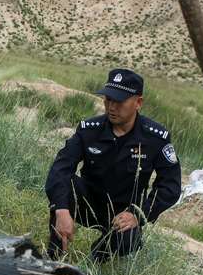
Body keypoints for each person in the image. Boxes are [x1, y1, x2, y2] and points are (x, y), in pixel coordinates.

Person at [45, 68, 181, 262]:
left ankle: (95, 260)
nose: (111, 107)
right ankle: (53, 257)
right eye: (108, 99)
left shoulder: (155, 138)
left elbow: (170, 186)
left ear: (138, 103)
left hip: (123, 214)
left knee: (129, 241)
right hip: (89, 201)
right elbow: (61, 168)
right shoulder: (89, 130)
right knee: (64, 188)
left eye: (119, 101)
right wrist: (61, 209)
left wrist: (138, 214)